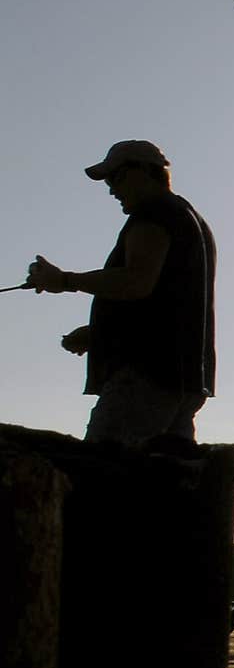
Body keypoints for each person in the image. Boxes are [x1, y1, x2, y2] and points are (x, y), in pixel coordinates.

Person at [28, 139, 216, 449]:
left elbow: (136, 281)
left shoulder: (154, 214)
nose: (112, 189)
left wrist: (63, 280)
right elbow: (164, 303)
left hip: (146, 379)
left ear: (142, 171)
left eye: (116, 178)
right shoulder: (187, 218)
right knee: (159, 486)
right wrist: (100, 333)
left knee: (103, 479)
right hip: (183, 380)